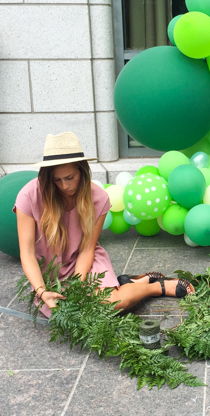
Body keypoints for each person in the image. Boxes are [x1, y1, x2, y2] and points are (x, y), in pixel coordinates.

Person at [14, 132, 193, 318]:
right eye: (57, 180)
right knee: (70, 315)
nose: (64, 186)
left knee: (110, 304)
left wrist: (78, 285)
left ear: (82, 172)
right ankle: (128, 283)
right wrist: (42, 291)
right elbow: (26, 253)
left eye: (69, 177)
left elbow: (86, 249)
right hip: (51, 269)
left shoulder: (98, 198)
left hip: (83, 261)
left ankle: (156, 287)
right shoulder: (29, 196)